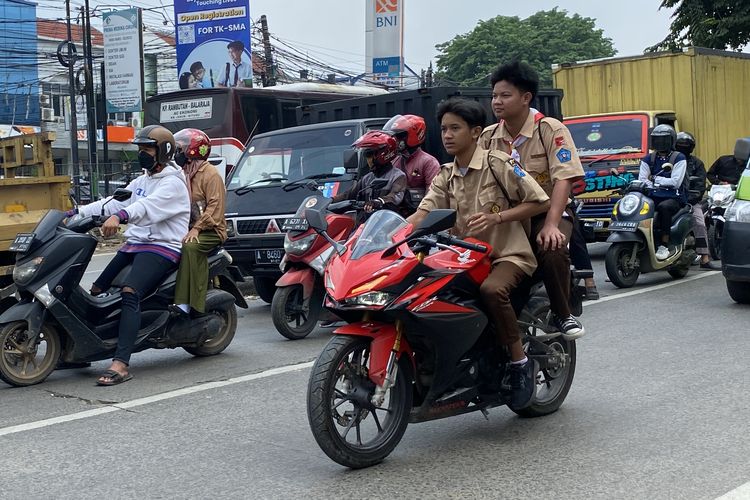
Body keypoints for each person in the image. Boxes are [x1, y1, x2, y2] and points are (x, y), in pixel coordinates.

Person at [408, 97, 550, 410]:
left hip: (506, 255)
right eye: (444, 128)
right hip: (461, 259)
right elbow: (423, 213)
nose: (447, 135)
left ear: (475, 132)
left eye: (455, 128)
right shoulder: (445, 175)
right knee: (420, 295)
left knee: (492, 290)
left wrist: (498, 217)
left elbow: (540, 201)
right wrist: (387, 236)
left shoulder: (499, 163)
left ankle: (519, 362)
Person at [73, 125, 190, 386]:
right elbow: (114, 201)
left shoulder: (173, 183)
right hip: (135, 245)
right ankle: (83, 349)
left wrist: (121, 216)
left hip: (163, 247)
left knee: (129, 292)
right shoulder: (143, 179)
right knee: (95, 290)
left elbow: (145, 207)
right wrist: (75, 214)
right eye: (140, 149)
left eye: (147, 149)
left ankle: (121, 363)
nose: (142, 154)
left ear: (163, 151)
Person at [478, 61, 585, 338]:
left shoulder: (550, 130)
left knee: (551, 246)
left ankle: (564, 315)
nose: (497, 102)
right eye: (494, 96)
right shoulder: (489, 137)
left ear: (526, 98)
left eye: (505, 95)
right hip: (506, 218)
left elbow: (564, 178)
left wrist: (551, 224)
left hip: (545, 212)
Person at [170, 128, 227, 317]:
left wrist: (196, 229)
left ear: (193, 151)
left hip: (211, 231)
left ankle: (188, 303)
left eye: (181, 149)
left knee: (190, 248)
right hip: (188, 228)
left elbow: (215, 210)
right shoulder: (183, 173)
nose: (177, 154)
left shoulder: (210, 175)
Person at [638, 124, 689, 260]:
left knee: (664, 208)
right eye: (657, 139)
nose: (660, 143)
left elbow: (676, 182)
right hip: (653, 195)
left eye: (664, 139)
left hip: (674, 197)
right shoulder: (648, 158)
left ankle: (664, 245)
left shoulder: (679, 158)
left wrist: (654, 179)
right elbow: (642, 180)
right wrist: (655, 182)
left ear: (671, 140)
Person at [332, 130, 407, 214]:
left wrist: (378, 202)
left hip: (389, 222)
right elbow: (347, 195)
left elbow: (395, 197)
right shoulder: (367, 178)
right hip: (368, 223)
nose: (367, 160)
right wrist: (330, 200)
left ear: (383, 154)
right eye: (366, 156)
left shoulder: (398, 176)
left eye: (369, 155)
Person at [675, 131, 717, 269]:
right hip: (671, 199)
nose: (683, 147)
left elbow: (700, 186)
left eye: (686, 145)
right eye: (680, 144)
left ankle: (704, 258)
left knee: (699, 223)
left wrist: (688, 200)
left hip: (690, 201)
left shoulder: (697, 163)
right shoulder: (670, 160)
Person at [384, 114, 441, 212]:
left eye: (400, 136)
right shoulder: (394, 160)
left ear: (414, 135)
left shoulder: (429, 162)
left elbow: (433, 197)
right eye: (394, 136)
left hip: (418, 214)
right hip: (394, 215)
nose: (395, 140)